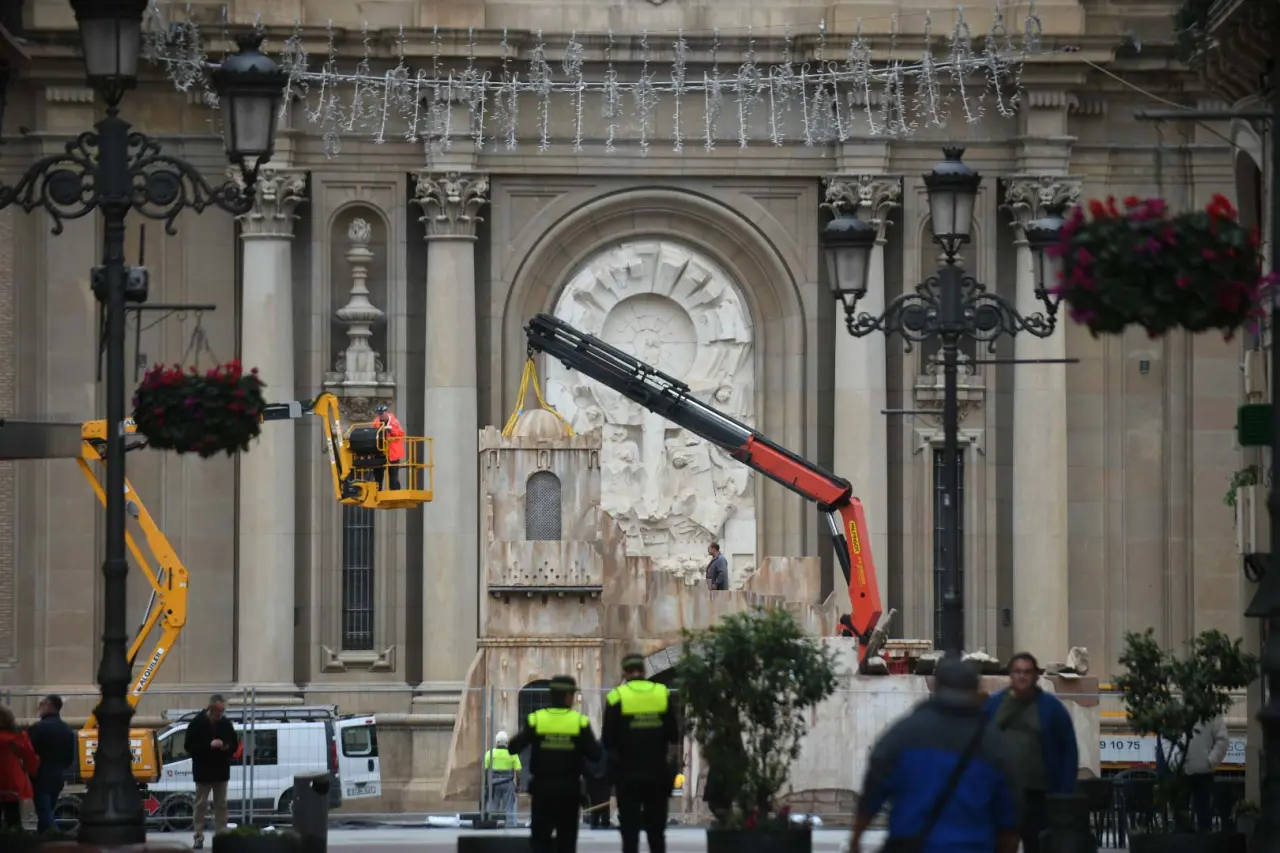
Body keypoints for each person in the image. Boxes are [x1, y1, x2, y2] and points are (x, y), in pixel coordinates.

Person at [851, 656, 1021, 853]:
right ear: (975, 690)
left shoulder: (905, 733)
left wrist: (856, 840)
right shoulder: (994, 743)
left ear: (936, 686)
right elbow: (1010, 818)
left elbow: (873, 790)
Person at [982, 652, 1080, 853]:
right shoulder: (994, 705)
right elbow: (980, 741)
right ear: (1010, 674)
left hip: (1039, 795)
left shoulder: (1051, 708)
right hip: (1001, 794)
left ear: (1036, 675)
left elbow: (1068, 750)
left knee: (1037, 845)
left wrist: (1064, 793)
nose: (1022, 676)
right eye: (1017, 671)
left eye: (1027, 672)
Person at [507, 675, 601, 853]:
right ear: (568, 696)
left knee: (540, 843)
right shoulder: (579, 722)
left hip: (542, 792)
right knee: (567, 843)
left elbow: (513, 747)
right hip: (569, 793)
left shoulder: (536, 719)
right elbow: (595, 755)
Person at [602, 654, 681, 853]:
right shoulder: (661, 693)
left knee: (630, 835)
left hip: (627, 776)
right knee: (656, 834)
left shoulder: (616, 697)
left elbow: (607, 740)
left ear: (624, 673)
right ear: (644, 671)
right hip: (657, 774)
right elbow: (673, 734)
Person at [184, 694, 239, 850]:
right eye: (218, 711)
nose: (220, 714)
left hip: (221, 770)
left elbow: (235, 744)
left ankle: (221, 836)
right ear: (210, 708)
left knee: (221, 804)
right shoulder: (196, 723)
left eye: (222, 711)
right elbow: (189, 747)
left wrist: (226, 746)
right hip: (203, 770)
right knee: (200, 805)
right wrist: (209, 745)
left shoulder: (225, 724)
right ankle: (198, 836)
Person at [1157, 714, 1229, 832]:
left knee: (1204, 817)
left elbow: (1222, 740)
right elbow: (1165, 737)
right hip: (1181, 772)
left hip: (1204, 773)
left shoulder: (1210, 713)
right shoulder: (1175, 711)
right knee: (1181, 818)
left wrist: (1210, 761)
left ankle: (1203, 841)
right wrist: (1174, 761)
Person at [28, 694, 76, 834]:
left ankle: (55, 836)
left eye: (41, 704)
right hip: (58, 776)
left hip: (40, 776)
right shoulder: (67, 730)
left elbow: (29, 753)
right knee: (46, 812)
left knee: (44, 813)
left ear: (49, 705)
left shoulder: (38, 728)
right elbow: (70, 757)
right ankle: (44, 839)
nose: (39, 708)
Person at [0, 702, 39, 831]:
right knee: (14, 819)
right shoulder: (18, 737)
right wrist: (32, 773)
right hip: (13, 782)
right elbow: (30, 758)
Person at [483, 730, 523, 827]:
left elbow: (485, 770)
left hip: (494, 784)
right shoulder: (513, 754)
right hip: (508, 784)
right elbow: (518, 771)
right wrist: (518, 785)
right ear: (506, 742)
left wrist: (486, 784)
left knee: (492, 807)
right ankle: (510, 825)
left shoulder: (489, 753)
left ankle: (490, 824)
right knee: (509, 807)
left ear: (496, 741)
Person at [373, 403, 405, 490]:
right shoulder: (376, 421)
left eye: (382, 413)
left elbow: (400, 434)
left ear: (386, 412)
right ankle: (377, 491)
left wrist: (391, 430)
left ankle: (395, 491)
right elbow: (373, 433)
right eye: (379, 414)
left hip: (393, 452)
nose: (381, 416)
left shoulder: (394, 421)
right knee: (378, 474)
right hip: (380, 451)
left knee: (393, 475)